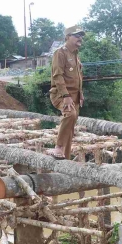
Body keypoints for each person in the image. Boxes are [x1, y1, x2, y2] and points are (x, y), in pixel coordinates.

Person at [46, 25, 85, 160]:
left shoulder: (75, 55)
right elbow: (58, 76)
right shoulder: (60, 53)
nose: (80, 38)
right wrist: (66, 96)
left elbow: (78, 77)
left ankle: (65, 158)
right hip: (61, 94)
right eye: (76, 35)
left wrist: (80, 94)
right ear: (67, 37)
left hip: (75, 96)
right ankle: (58, 147)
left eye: (81, 36)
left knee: (70, 127)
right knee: (70, 114)